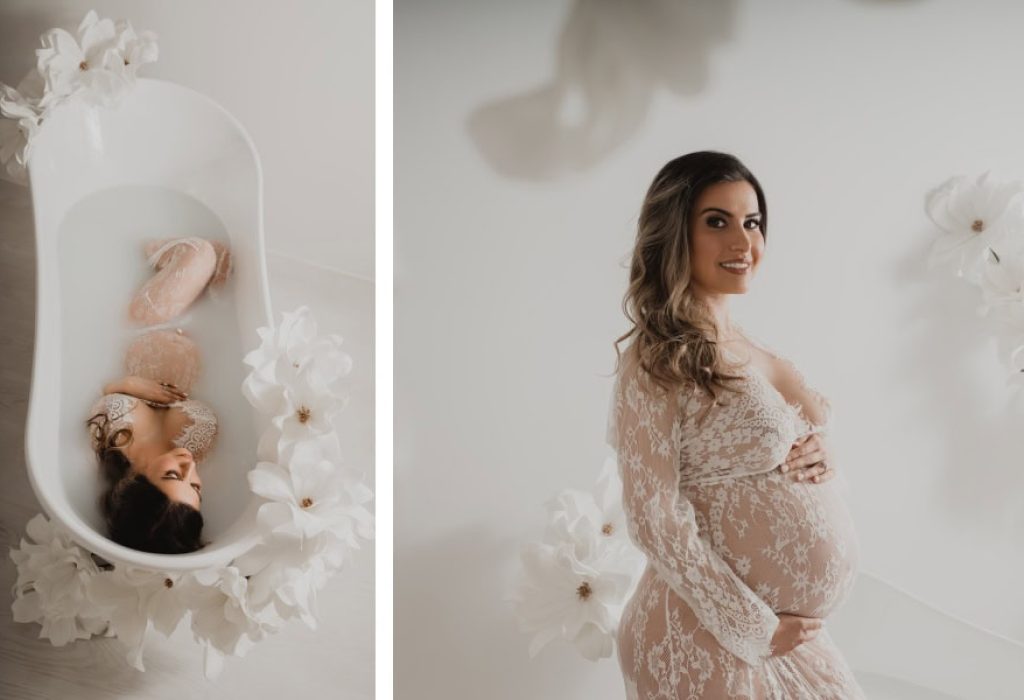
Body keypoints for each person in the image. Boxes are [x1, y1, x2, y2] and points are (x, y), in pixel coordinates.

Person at [608, 151, 865, 698]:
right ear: (675, 231)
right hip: (704, 633)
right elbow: (653, 514)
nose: (742, 242)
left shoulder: (753, 348)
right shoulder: (658, 358)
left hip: (789, 639)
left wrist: (826, 456)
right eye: (716, 222)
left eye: (752, 222)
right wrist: (753, 627)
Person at [86, 236, 229, 554]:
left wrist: (127, 386)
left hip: (138, 323)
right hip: (190, 322)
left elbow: (89, 383)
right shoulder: (199, 448)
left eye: (173, 475)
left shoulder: (110, 441)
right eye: (195, 487)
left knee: (201, 252)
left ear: (136, 482)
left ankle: (156, 251)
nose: (189, 466)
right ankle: (193, 269)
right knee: (222, 262)